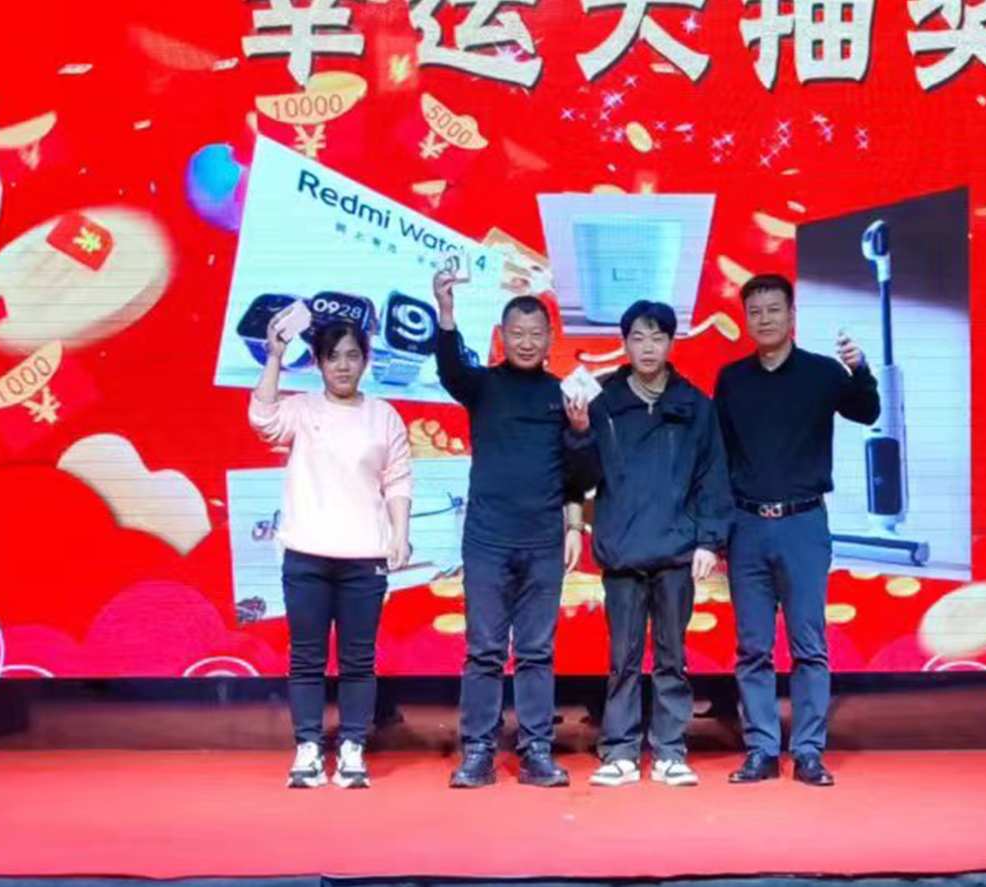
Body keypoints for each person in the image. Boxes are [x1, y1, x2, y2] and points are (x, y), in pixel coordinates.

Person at [714, 273, 879, 787]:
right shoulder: (731, 379)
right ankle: (761, 750)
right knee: (753, 648)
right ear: (746, 319)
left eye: (773, 309)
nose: (764, 319)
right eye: (755, 311)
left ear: (791, 315)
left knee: (809, 645)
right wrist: (717, 531)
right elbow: (719, 456)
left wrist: (860, 369)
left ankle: (808, 751)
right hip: (746, 526)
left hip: (804, 524)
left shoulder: (822, 372)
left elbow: (867, 411)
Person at [432, 265, 592, 788]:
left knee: (537, 652)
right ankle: (478, 751)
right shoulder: (483, 386)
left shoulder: (563, 395)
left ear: (550, 339)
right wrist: (446, 311)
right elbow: (450, 370)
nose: (526, 342)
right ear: (501, 337)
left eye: (535, 333)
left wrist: (580, 431)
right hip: (487, 540)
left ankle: (536, 751)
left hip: (543, 541)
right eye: (517, 333)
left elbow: (581, 474)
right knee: (483, 650)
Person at [572, 300, 733, 788]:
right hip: (622, 551)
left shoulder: (694, 404)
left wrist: (709, 541)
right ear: (624, 343)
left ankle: (669, 751)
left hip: (677, 552)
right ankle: (620, 751)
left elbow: (713, 476)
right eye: (638, 338)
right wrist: (578, 433)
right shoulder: (600, 401)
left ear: (671, 342)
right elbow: (579, 474)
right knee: (622, 659)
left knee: (671, 657)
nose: (647, 347)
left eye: (657, 337)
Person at [249, 317, 413, 789]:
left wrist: (400, 534)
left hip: (364, 557)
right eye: (333, 357)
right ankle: (307, 747)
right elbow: (262, 420)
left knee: (358, 659)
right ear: (319, 363)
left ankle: (352, 747)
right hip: (307, 555)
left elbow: (398, 479)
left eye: (353, 356)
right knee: (307, 657)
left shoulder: (383, 415)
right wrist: (275, 356)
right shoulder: (302, 409)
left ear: (366, 361)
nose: (343, 366)